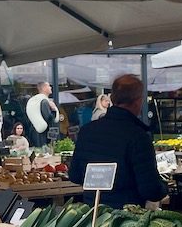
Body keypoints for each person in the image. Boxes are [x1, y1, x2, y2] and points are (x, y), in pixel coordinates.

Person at [68, 74, 167, 209]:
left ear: (112, 99)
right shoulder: (138, 136)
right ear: (138, 101)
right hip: (125, 219)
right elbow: (150, 190)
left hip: (93, 215)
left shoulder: (87, 131)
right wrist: (164, 188)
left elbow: (75, 175)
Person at [25, 81, 58, 146]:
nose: (50, 87)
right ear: (44, 88)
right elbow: (48, 117)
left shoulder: (39, 100)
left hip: (37, 131)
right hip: (44, 134)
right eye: (48, 86)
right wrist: (53, 110)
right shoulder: (44, 101)